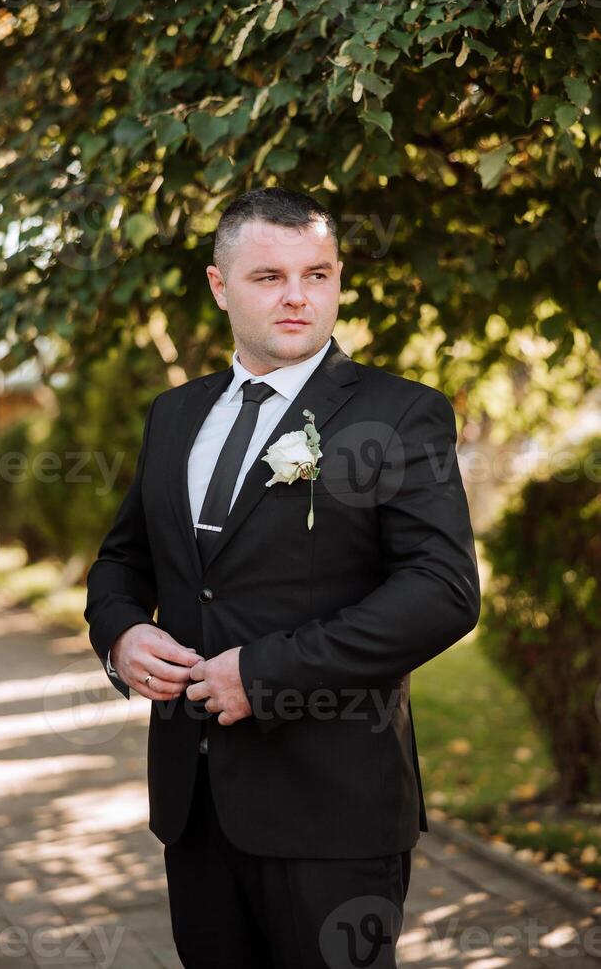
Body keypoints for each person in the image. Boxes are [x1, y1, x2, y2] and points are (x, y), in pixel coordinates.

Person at [84, 186, 481, 968]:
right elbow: (123, 559)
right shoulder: (174, 415)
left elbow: (443, 590)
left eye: (319, 274)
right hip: (193, 809)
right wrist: (121, 632)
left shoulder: (401, 414)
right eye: (269, 277)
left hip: (334, 811)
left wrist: (263, 675)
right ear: (219, 285)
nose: (299, 297)